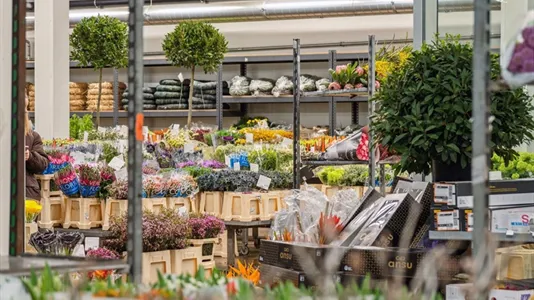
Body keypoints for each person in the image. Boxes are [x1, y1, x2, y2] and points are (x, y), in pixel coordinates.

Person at [24, 91, 49, 200]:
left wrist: (30, 156)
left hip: (27, 193)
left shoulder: (33, 136)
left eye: (24, 110)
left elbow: (43, 164)